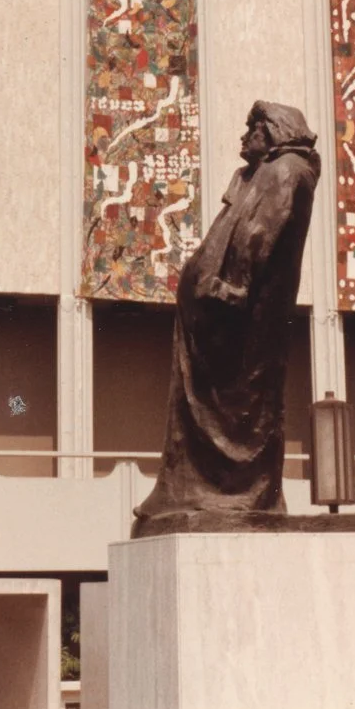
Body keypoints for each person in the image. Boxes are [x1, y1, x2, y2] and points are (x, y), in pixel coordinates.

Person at [132, 101, 320, 536]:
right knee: (204, 406)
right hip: (218, 316)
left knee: (241, 407)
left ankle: (236, 494)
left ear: (271, 132)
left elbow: (259, 233)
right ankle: (186, 490)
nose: (242, 139)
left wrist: (230, 287)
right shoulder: (265, 173)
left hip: (239, 320)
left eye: (250, 130)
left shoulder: (286, 171)